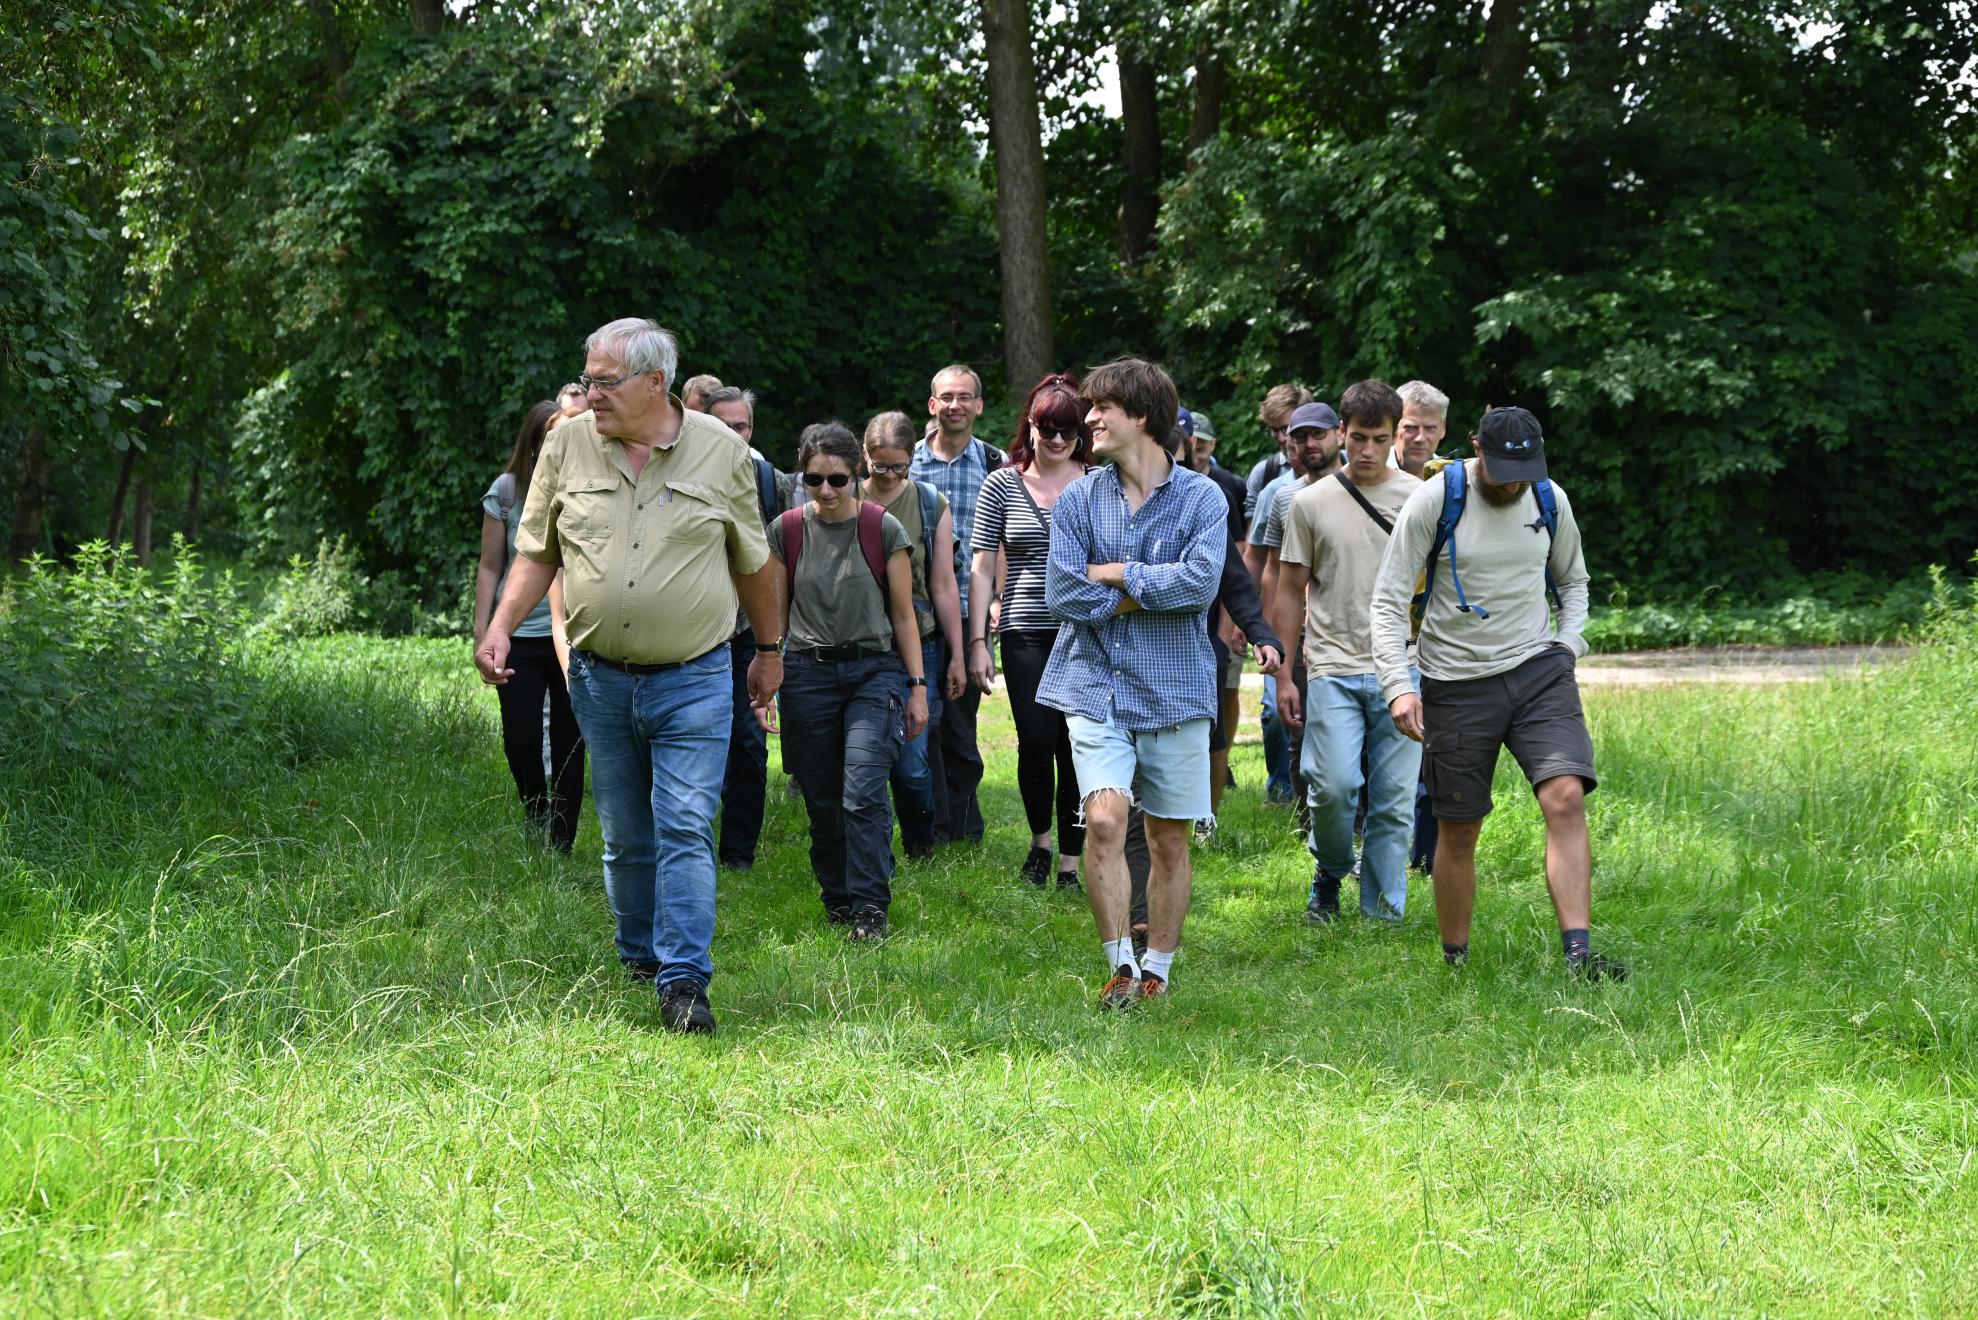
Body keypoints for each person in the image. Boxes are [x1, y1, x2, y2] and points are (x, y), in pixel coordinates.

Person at [476, 318, 784, 1036]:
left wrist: (769, 651)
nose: (590, 394)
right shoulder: (565, 444)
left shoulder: (720, 452)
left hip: (696, 675)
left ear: (656, 383)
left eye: (605, 382)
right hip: (599, 678)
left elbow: (754, 561)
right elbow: (537, 552)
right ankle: (639, 957)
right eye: (587, 379)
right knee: (623, 834)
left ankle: (683, 982)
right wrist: (499, 625)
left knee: (683, 824)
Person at [1370, 406, 1626, 980]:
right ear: (1476, 448)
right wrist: (1397, 686)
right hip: (1455, 683)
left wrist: (1569, 645)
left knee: (1565, 797)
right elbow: (1387, 601)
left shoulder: (1548, 497)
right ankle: (1455, 962)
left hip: (1540, 671)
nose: (1515, 481)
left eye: (1526, 469)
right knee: (1459, 829)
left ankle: (1579, 955)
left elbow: (1574, 581)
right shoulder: (1435, 501)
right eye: (1505, 468)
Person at [1037, 356, 1226, 1008]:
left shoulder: (1203, 498)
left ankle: (1158, 970)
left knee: (1168, 838)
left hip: (1175, 691)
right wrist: (1148, 584)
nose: (1087, 420)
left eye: (1100, 409)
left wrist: (1114, 573)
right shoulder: (1080, 499)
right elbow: (1062, 591)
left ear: (1140, 416)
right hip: (1095, 683)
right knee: (1106, 820)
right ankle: (1119, 963)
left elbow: (1199, 585)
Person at [768, 422, 930, 940]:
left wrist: (917, 686)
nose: (827, 491)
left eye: (838, 479)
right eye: (814, 480)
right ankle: (837, 899)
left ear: (856, 475)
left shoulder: (882, 529)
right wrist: (766, 672)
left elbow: (904, 616)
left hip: (873, 670)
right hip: (806, 674)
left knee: (862, 791)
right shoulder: (787, 530)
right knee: (821, 797)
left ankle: (869, 907)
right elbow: (773, 613)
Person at [1273, 380, 1422, 922]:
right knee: (1332, 787)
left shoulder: (1420, 497)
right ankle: (1331, 869)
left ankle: (1382, 912)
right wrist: (1284, 674)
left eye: (1378, 439)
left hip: (1404, 668)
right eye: (1357, 438)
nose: (1366, 451)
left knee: (1394, 799)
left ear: (1394, 437)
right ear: (1341, 432)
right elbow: (1290, 590)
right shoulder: (1310, 502)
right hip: (1332, 664)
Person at [969, 373, 1094, 889]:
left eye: (1069, 431)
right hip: (1024, 630)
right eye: (1049, 429)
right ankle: (1039, 841)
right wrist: (978, 640)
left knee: (1075, 744)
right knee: (1037, 739)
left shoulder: (1097, 483)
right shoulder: (1002, 482)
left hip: (1084, 633)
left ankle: (1070, 859)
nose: (1058, 440)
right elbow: (979, 566)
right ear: (1032, 427)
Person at [472, 399, 585, 853]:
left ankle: (561, 840)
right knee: (520, 739)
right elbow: (488, 567)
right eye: (546, 437)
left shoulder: (582, 487)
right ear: (532, 441)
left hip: (571, 635)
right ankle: (536, 810)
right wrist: (483, 631)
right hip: (517, 635)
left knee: (568, 740)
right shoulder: (507, 491)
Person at [861, 411, 966, 860]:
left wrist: (959, 654)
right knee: (862, 764)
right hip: (858, 641)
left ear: (912, 461)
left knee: (912, 765)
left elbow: (944, 584)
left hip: (917, 645)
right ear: (864, 455)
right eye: (879, 465)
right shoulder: (842, 493)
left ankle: (919, 844)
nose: (888, 475)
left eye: (898, 466)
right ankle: (867, 847)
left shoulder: (929, 502)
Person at [911, 364, 1007, 846]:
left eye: (964, 397)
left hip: (971, 608)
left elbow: (1007, 541)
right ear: (933, 405)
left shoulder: (996, 462)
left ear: (978, 405)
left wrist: (995, 607)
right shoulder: (905, 465)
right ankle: (930, 824)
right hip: (915, 609)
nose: (955, 405)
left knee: (960, 722)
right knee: (923, 717)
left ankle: (965, 826)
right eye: (946, 397)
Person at [702, 384, 790, 872]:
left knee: (748, 746)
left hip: (741, 634)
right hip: (690, 634)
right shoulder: (679, 469)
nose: (735, 434)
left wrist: (771, 640)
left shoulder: (766, 478)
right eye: (724, 425)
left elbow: (774, 560)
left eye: (742, 425)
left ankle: (738, 856)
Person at [1245, 400, 1340, 810]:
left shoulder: (1365, 489)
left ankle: (1356, 825)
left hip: (1353, 629)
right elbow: (1271, 570)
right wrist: (1268, 632)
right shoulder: (1284, 498)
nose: (1308, 443)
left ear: (1338, 432)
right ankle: (1307, 820)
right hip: (1301, 632)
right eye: (1299, 436)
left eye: (1318, 433)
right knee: (1297, 725)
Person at [1394, 380, 1452, 870]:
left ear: (1443, 430)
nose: (1418, 437)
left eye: (1428, 428)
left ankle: (1425, 856)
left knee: (1430, 743)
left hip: (1435, 635)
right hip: (1383, 631)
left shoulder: (1453, 484)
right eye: (1409, 426)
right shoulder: (1365, 478)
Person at [1183, 413, 1250, 819]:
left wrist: (1227, 630)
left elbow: (1235, 561)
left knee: (1215, 722)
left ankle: (1207, 816)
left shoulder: (1221, 489)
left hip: (1211, 629)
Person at [1243, 383, 1312, 522]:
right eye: (1274, 430)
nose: (1281, 438)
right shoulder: (1264, 473)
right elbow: (1253, 537)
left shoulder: (1339, 462)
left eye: (1287, 428)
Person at [1396, 380, 1450, 479]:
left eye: (1430, 428)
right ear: (1394, 427)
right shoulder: (1369, 472)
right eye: (1411, 427)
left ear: (1443, 428)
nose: (1420, 438)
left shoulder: (1452, 480)